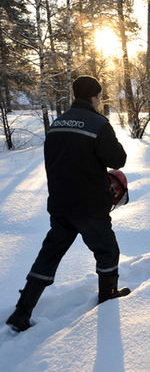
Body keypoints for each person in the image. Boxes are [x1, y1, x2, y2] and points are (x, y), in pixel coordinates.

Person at [6, 76, 131, 333]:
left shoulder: (56, 124)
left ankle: (22, 311)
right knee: (106, 250)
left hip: (60, 204)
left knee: (49, 254)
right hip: (90, 206)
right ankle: (107, 296)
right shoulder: (98, 123)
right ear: (95, 97)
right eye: (99, 97)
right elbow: (118, 159)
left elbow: (51, 161)